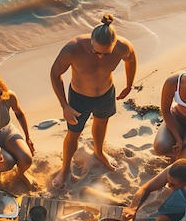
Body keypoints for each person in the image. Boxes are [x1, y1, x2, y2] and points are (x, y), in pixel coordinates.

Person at [50, 13, 137, 189]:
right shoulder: (73, 49)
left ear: (114, 45)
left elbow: (132, 59)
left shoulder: (123, 46)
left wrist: (129, 84)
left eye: (107, 54)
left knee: (102, 122)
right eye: (97, 52)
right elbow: (55, 73)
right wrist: (64, 105)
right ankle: (65, 168)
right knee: (74, 133)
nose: (101, 57)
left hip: (105, 94)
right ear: (91, 41)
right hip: (79, 98)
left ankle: (98, 151)